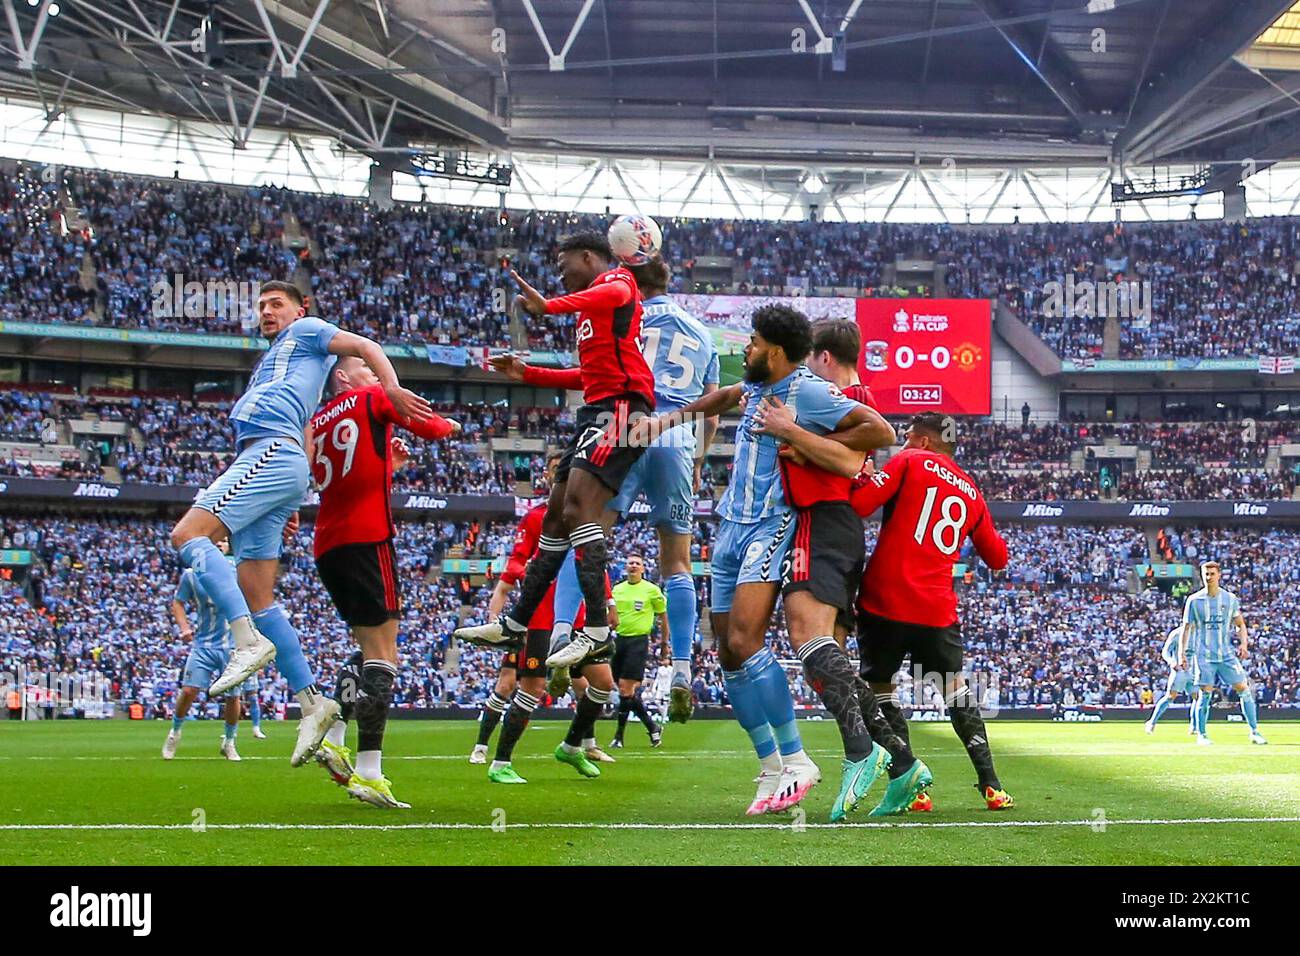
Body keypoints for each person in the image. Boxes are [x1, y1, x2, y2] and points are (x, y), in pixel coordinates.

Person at [640, 304, 898, 817]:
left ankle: (799, 757)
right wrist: (671, 419)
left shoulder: (806, 391)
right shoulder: (756, 385)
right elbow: (724, 395)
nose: (747, 349)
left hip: (770, 525)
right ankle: (772, 765)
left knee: (743, 637)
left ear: (776, 352)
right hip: (730, 525)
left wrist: (809, 440)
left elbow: (880, 431)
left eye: (753, 342)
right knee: (728, 653)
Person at [169, 280, 434, 768]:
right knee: (259, 597)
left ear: (300, 308)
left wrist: (391, 387)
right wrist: (294, 495)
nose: (267, 311)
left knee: (187, 535)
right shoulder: (283, 366)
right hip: (279, 464)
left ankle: (245, 640)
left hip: (270, 451)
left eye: (277, 304)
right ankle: (312, 702)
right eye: (262, 305)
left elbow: (366, 345)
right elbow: (310, 427)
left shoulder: (308, 332)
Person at [455, 232, 655, 668]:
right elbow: (586, 375)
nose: (561, 274)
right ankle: (517, 624)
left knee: (581, 507)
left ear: (589, 257)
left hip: (623, 410)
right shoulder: (594, 310)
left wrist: (547, 306)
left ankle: (598, 632)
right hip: (599, 409)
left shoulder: (618, 283)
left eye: (566, 265)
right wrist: (529, 375)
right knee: (557, 514)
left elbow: (619, 288)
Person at [308, 355, 459, 808]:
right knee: (384, 655)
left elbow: (342, 478)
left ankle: (334, 735)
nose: (377, 374)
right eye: (367, 367)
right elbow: (431, 427)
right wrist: (450, 424)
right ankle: (370, 771)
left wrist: (387, 465)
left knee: (366, 647)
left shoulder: (316, 421)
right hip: (368, 537)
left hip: (328, 542)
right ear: (343, 376)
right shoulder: (374, 397)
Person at [849, 412, 1014, 812]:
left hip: (884, 603)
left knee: (880, 690)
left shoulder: (908, 461)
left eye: (907, 437)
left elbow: (860, 505)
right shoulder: (972, 492)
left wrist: (863, 478)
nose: (902, 443)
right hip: (935, 612)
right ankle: (991, 786)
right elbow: (997, 558)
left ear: (923, 442)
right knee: (955, 691)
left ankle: (915, 790)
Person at [606, 257, 719, 723]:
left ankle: (565, 635)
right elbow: (711, 414)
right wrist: (696, 462)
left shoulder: (623, 318)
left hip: (626, 428)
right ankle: (679, 668)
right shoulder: (703, 334)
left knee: (587, 535)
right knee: (677, 562)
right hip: (677, 438)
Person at [468, 455, 619, 781]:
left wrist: (608, 601)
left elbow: (595, 563)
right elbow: (519, 562)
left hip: (583, 616)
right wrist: (536, 574)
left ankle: (572, 746)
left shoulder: (591, 517)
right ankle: (500, 763)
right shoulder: (539, 517)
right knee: (531, 687)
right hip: (541, 616)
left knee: (603, 683)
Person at [162, 538, 244, 762]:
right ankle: (174, 733)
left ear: (229, 547)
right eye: (214, 540)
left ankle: (229, 742)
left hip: (232, 645)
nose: (220, 543)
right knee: (189, 690)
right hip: (203, 644)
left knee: (233, 696)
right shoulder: (191, 574)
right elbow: (178, 602)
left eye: (225, 540)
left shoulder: (237, 569)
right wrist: (184, 628)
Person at [1176, 561, 1266, 745]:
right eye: (1205, 574)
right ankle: (1202, 735)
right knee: (1205, 693)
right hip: (1204, 656)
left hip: (1226, 654)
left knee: (1243, 689)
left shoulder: (1229, 599)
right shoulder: (1194, 600)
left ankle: (1254, 731)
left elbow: (1240, 624)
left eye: (1211, 574)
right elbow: (1186, 629)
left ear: (1219, 575)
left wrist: (1243, 644)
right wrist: (1181, 654)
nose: (1208, 577)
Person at [609, 554, 667, 749]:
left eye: (637, 563)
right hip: (619, 641)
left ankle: (619, 736)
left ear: (643, 569)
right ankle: (652, 727)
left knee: (626, 688)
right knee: (625, 691)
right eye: (630, 563)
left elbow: (663, 615)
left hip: (638, 641)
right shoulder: (617, 590)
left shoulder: (651, 590)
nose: (633, 566)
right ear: (626, 568)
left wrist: (664, 644)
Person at [1143, 626, 1199, 736]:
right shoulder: (1177, 633)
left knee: (1197, 698)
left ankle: (1194, 726)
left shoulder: (1200, 632)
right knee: (1170, 697)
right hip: (1180, 671)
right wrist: (1171, 662)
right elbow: (1165, 651)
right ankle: (1151, 722)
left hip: (1194, 671)